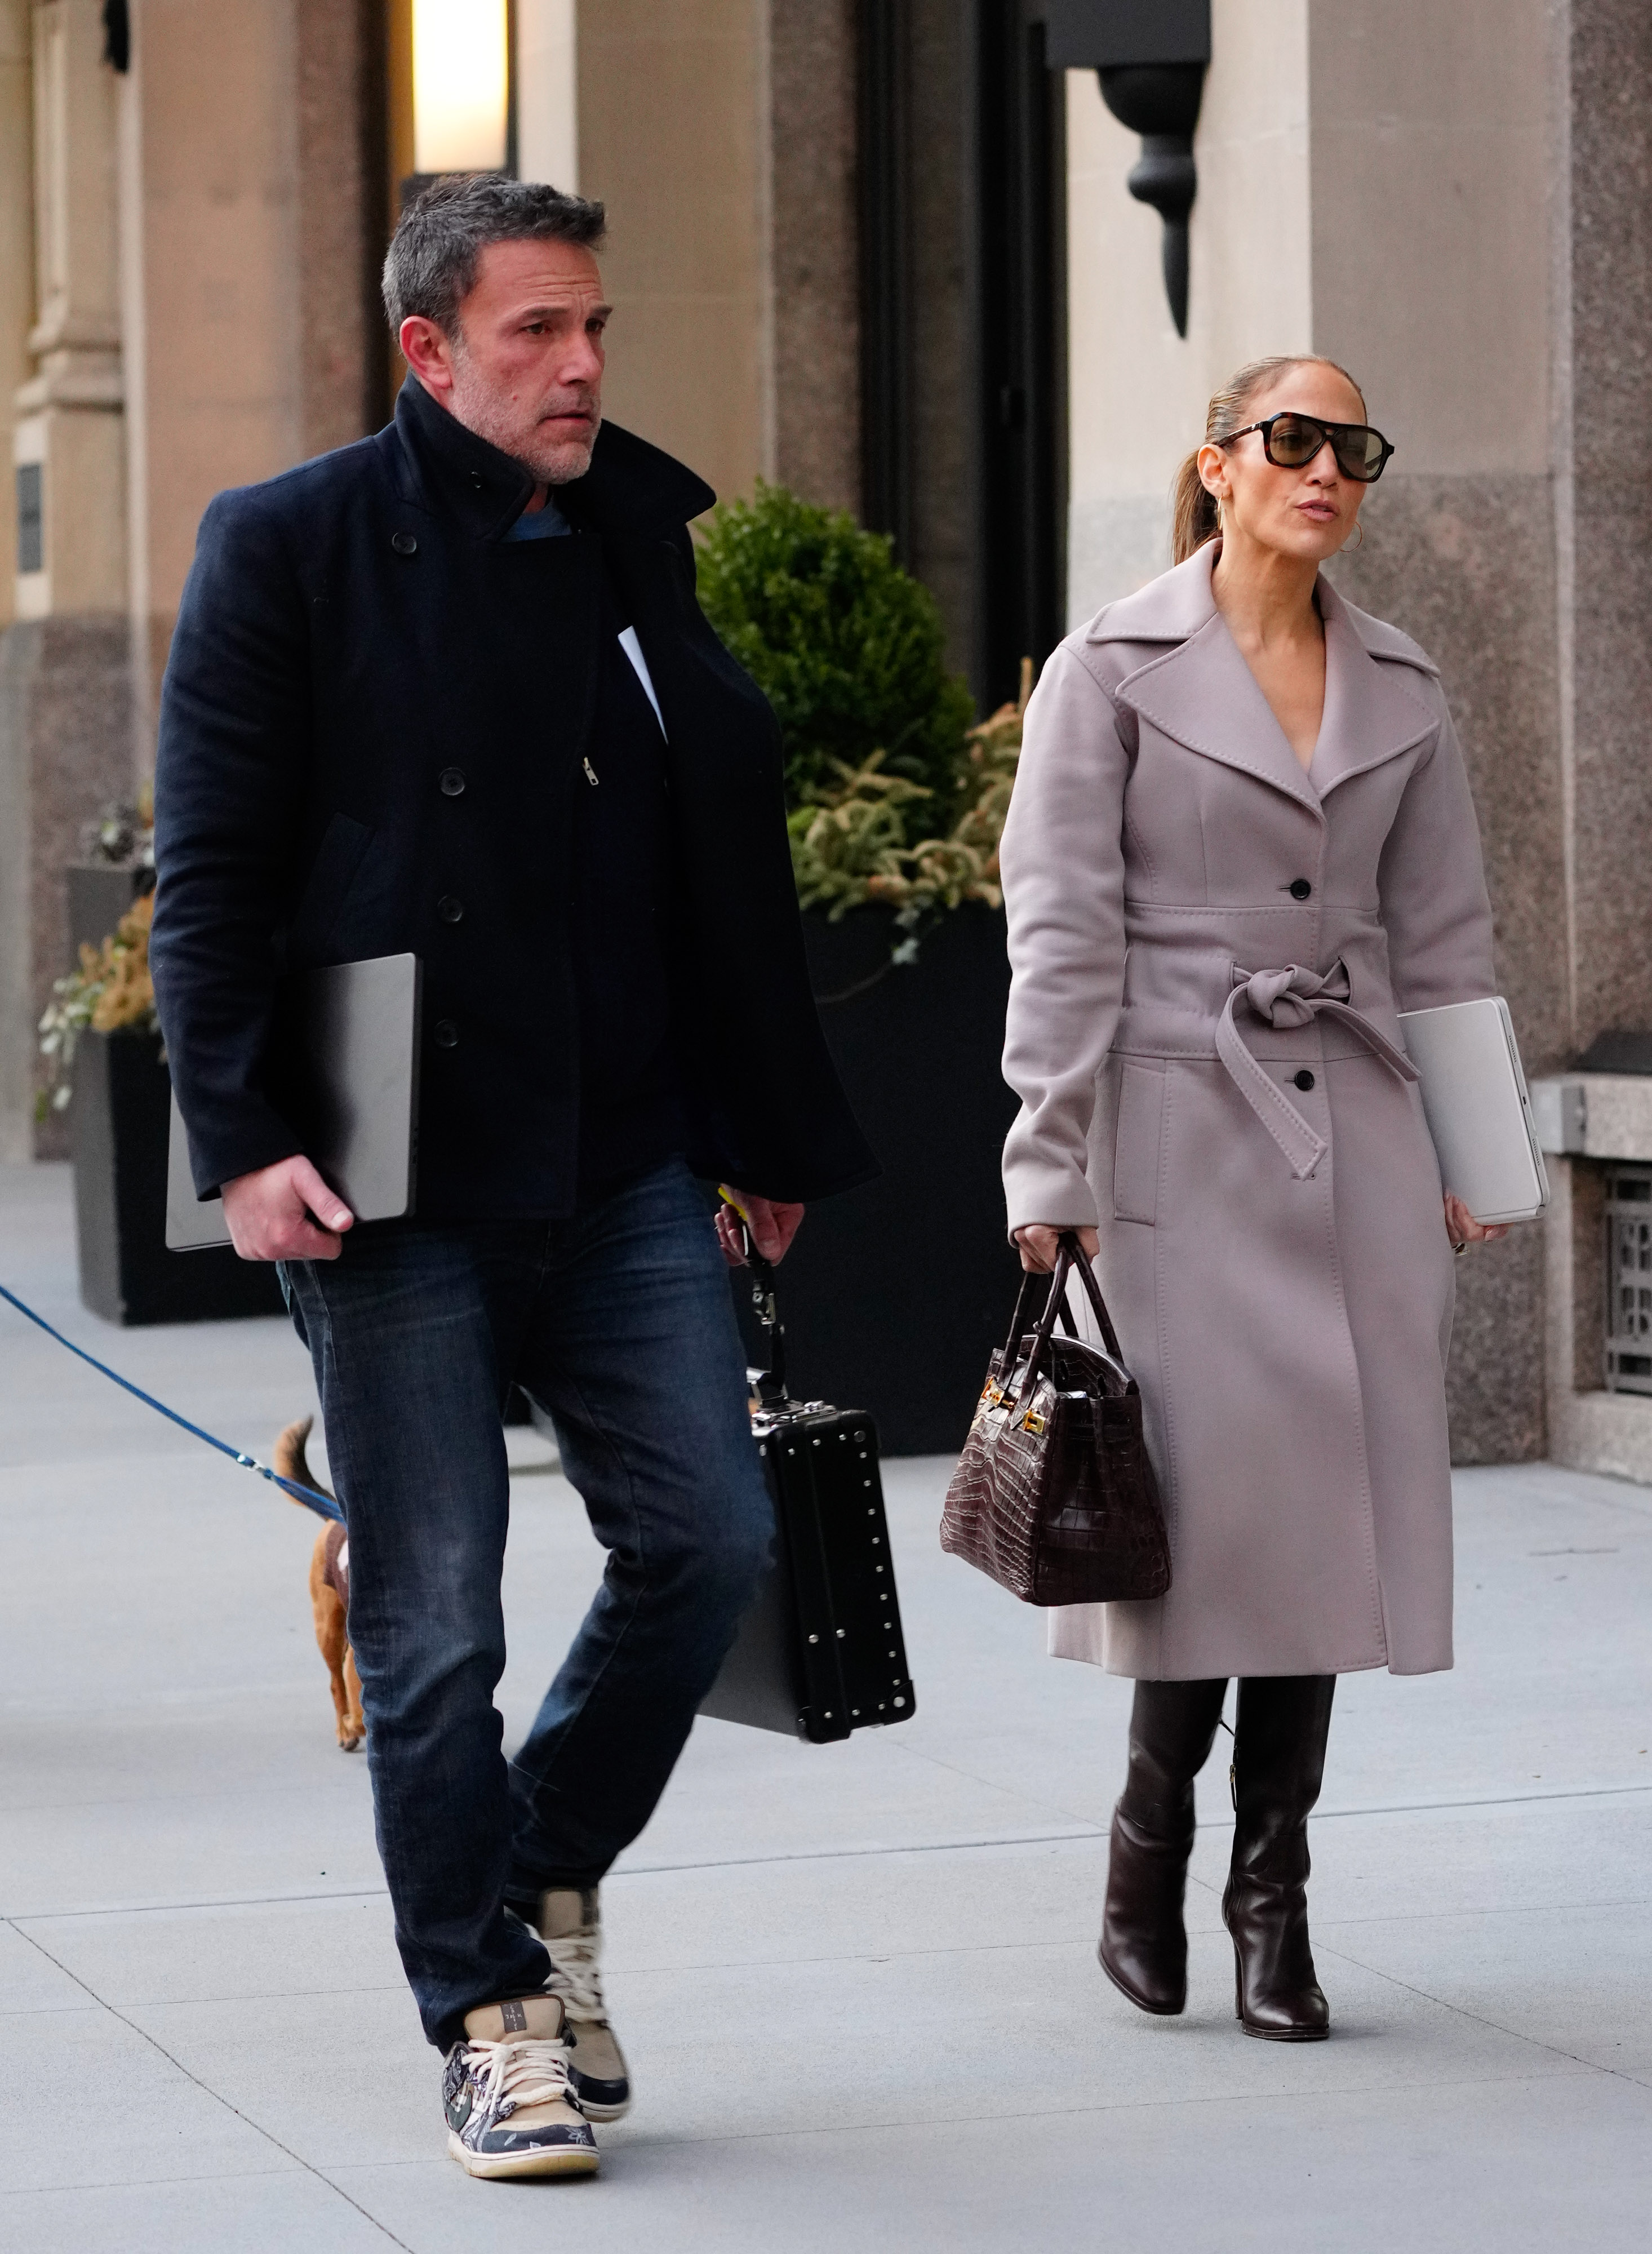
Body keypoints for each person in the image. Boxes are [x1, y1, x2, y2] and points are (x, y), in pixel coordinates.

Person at [149, 176, 873, 2180]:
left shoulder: (639, 532)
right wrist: (245, 1139)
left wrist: (758, 1129)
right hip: (390, 1162)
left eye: (595, 329)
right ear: (428, 349)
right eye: (538, 332)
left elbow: (709, 867)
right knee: (436, 1620)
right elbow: (206, 872)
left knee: (711, 1541)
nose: (579, 366)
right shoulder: (289, 547)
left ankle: (545, 1881)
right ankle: (483, 2014)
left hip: (628, 1153)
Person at [997, 355, 1506, 2041]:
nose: (1325, 467)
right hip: (1176, 1140)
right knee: (1205, 1523)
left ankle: (1269, 1892)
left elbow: (1441, 941)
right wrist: (1048, 1161)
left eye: (1351, 443)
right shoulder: (1113, 666)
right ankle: (1152, 1840)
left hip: (1354, 1130)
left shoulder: (1402, 681)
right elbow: (1062, 930)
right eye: (1290, 439)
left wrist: (1471, 1152)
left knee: (1326, 1527)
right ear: (1216, 467)